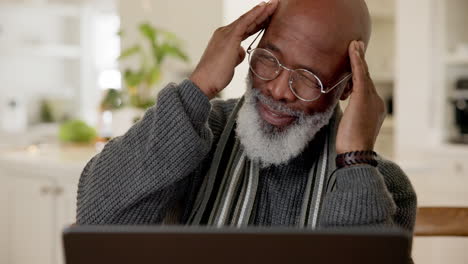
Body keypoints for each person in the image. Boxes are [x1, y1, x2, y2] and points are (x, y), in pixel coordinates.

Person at [77, 0, 416, 237]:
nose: (280, 89)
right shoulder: (196, 131)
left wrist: (355, 161)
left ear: (346, 88)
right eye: (269, 59)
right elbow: (96, 220)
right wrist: (198, 87)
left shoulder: (382, 184)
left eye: (309, 79)